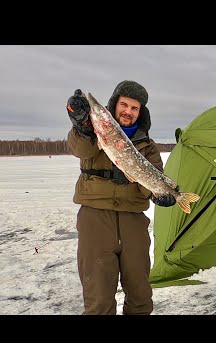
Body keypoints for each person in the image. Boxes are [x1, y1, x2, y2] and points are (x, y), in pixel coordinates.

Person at [66, 80, 176, 315]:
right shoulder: (93, 131)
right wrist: (84, 127)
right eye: (124, 104)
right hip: (95, 218)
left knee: (140, 296)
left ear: (140, 112)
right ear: (114, 105)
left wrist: (159, 194)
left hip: (133, 221)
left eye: (134, 108)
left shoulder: (148, 146)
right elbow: (80, 150)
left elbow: (153, 177)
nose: (128, 111)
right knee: (99, 299)